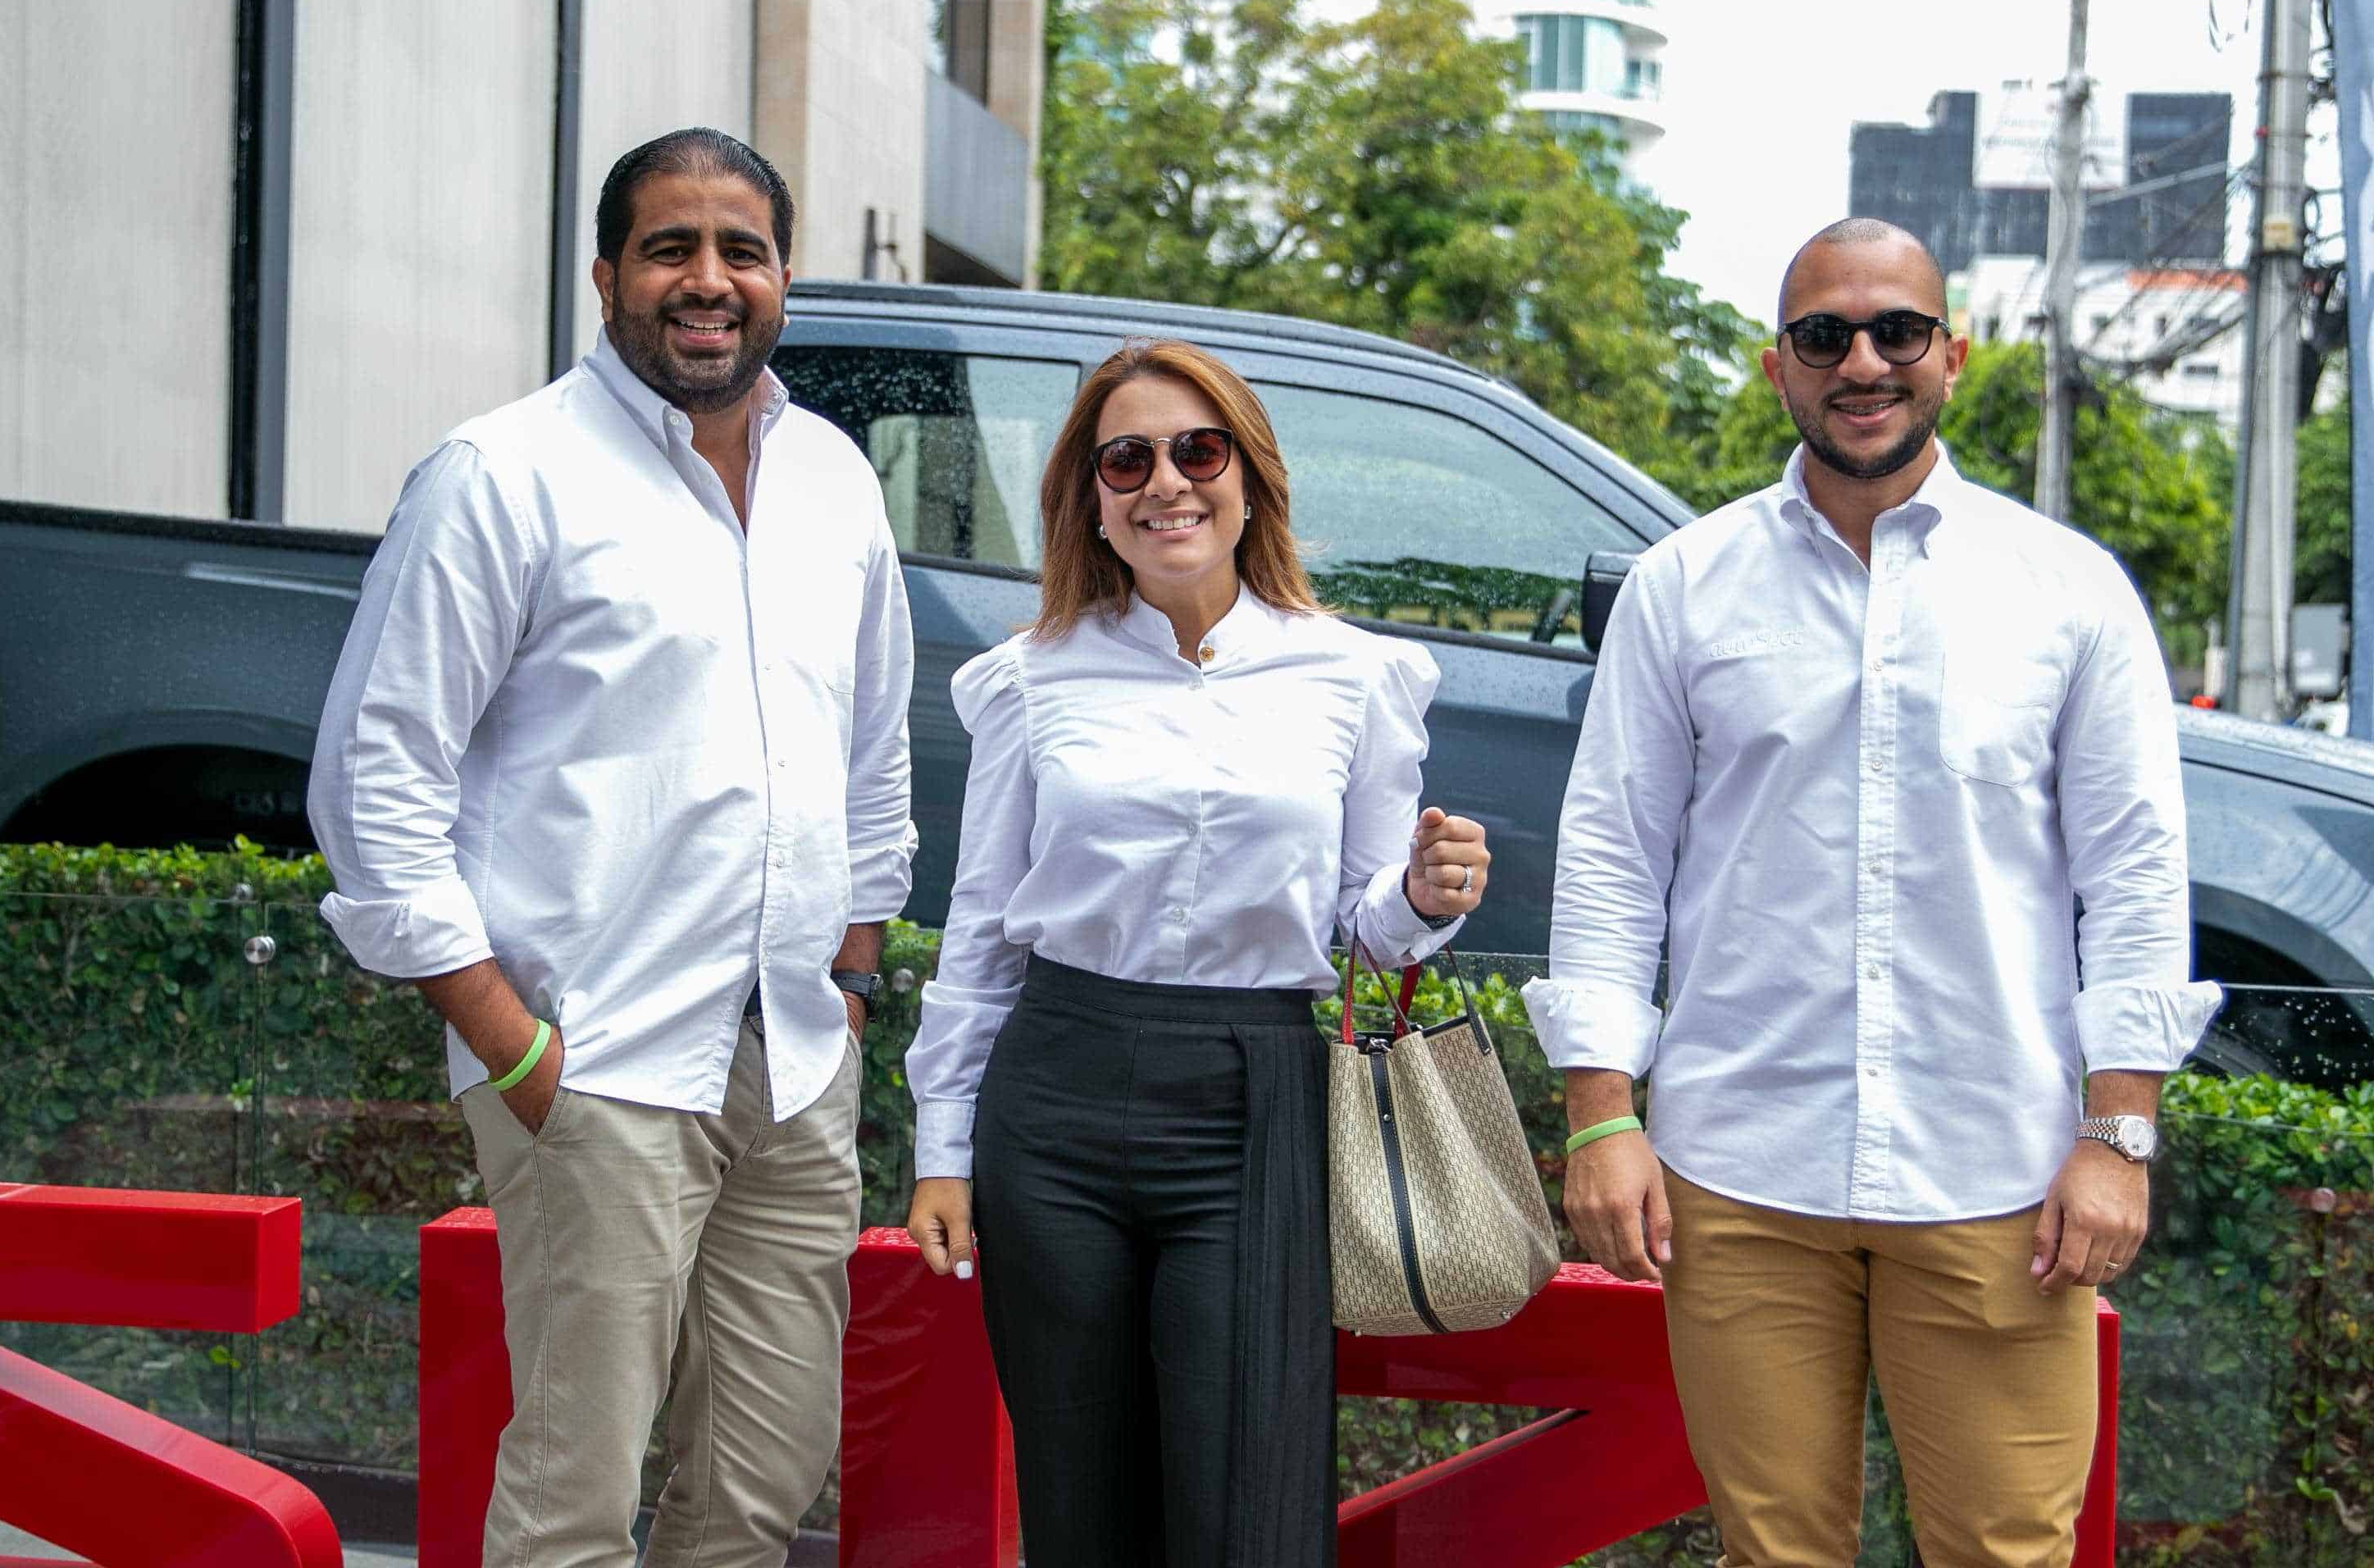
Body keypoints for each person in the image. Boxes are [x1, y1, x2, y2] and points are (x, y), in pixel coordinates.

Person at [1531, 218, 2221, 1566]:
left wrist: (2120, 1131)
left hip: (2000, 1176)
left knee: (2006, 1550)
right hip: (1742, 1174)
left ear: (1951, 356)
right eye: (1824, 335)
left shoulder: (2069, 592)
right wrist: (1600, 1115)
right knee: (1772, 1552)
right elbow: (1612, 851)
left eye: (1896, 330)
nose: (1863, 360)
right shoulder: (1686, 589)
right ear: (1777, 366)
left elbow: (2133, 870)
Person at [308, 128, 914, 1568]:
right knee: (575, 1495)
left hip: (794, 1057)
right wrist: (509, 1042)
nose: (708, 282)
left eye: (742, 251)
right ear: (605, 276)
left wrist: (855, 977)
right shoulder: (502, 473)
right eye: (669, 249)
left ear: (781, 277)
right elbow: (374, 776)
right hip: (594, 1061)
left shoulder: (834, 479)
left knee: (762, 1485)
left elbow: (872, 757)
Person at [902, 339, 1491, 1566]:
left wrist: (1425, 898)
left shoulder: (1356, 674)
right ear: (1094, 502)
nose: (1166, 481)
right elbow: (981, 930)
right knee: (1080, 1499)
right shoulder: (1031, 678)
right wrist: (943, 1152)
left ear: (1248, 477)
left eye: (1197, 449)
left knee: (1246, 1497)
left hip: (1251, 1096)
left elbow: (1359, 925)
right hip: (1056, 1090)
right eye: (1128, 459)